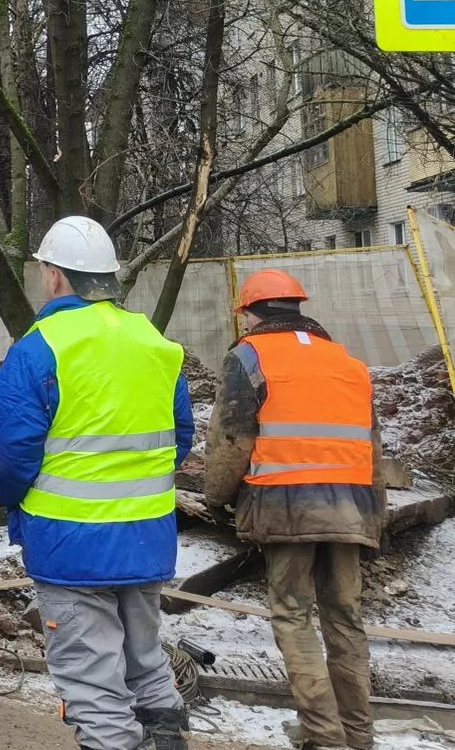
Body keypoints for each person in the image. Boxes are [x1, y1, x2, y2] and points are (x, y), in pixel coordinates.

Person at [0, 216, 193, 750]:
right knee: (146, 659)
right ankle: (167, 737)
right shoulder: (154, 343)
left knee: (92, 681)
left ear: (54, 276)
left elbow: (7, 452)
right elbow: (177, 438)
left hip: (71, 544)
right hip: (146, 537)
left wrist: (14, 502)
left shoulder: (41, 347)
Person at [204, 270, 380, 750]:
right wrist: (374, 514)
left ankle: (324, 738)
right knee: (345, 618)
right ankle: (359, 735)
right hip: (351, 505)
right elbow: (373, 448)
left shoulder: (248, 356)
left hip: (285, 506)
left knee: (293, 614)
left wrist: (215, 495)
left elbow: (232, 438)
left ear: (248, 313)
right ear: (298, 308)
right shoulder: (349, 363)